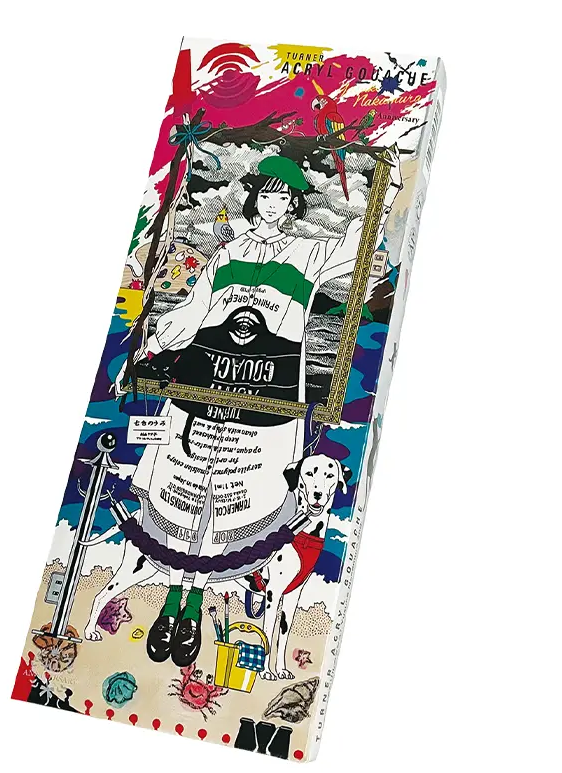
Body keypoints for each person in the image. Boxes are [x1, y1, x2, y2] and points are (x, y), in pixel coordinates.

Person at [114, 152, 402, 667]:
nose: (273, 203)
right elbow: (193, 311)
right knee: (183, 499)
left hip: (264, 404)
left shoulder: (307, 254)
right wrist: (149, 347)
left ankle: (194, 608)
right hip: (202, 391)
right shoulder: (227, 252)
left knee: (233, 506)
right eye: (266, 194)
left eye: (283, 196)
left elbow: (355, 244)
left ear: (293, 205)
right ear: (254, 198)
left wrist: (386, 192)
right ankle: (171, 604)